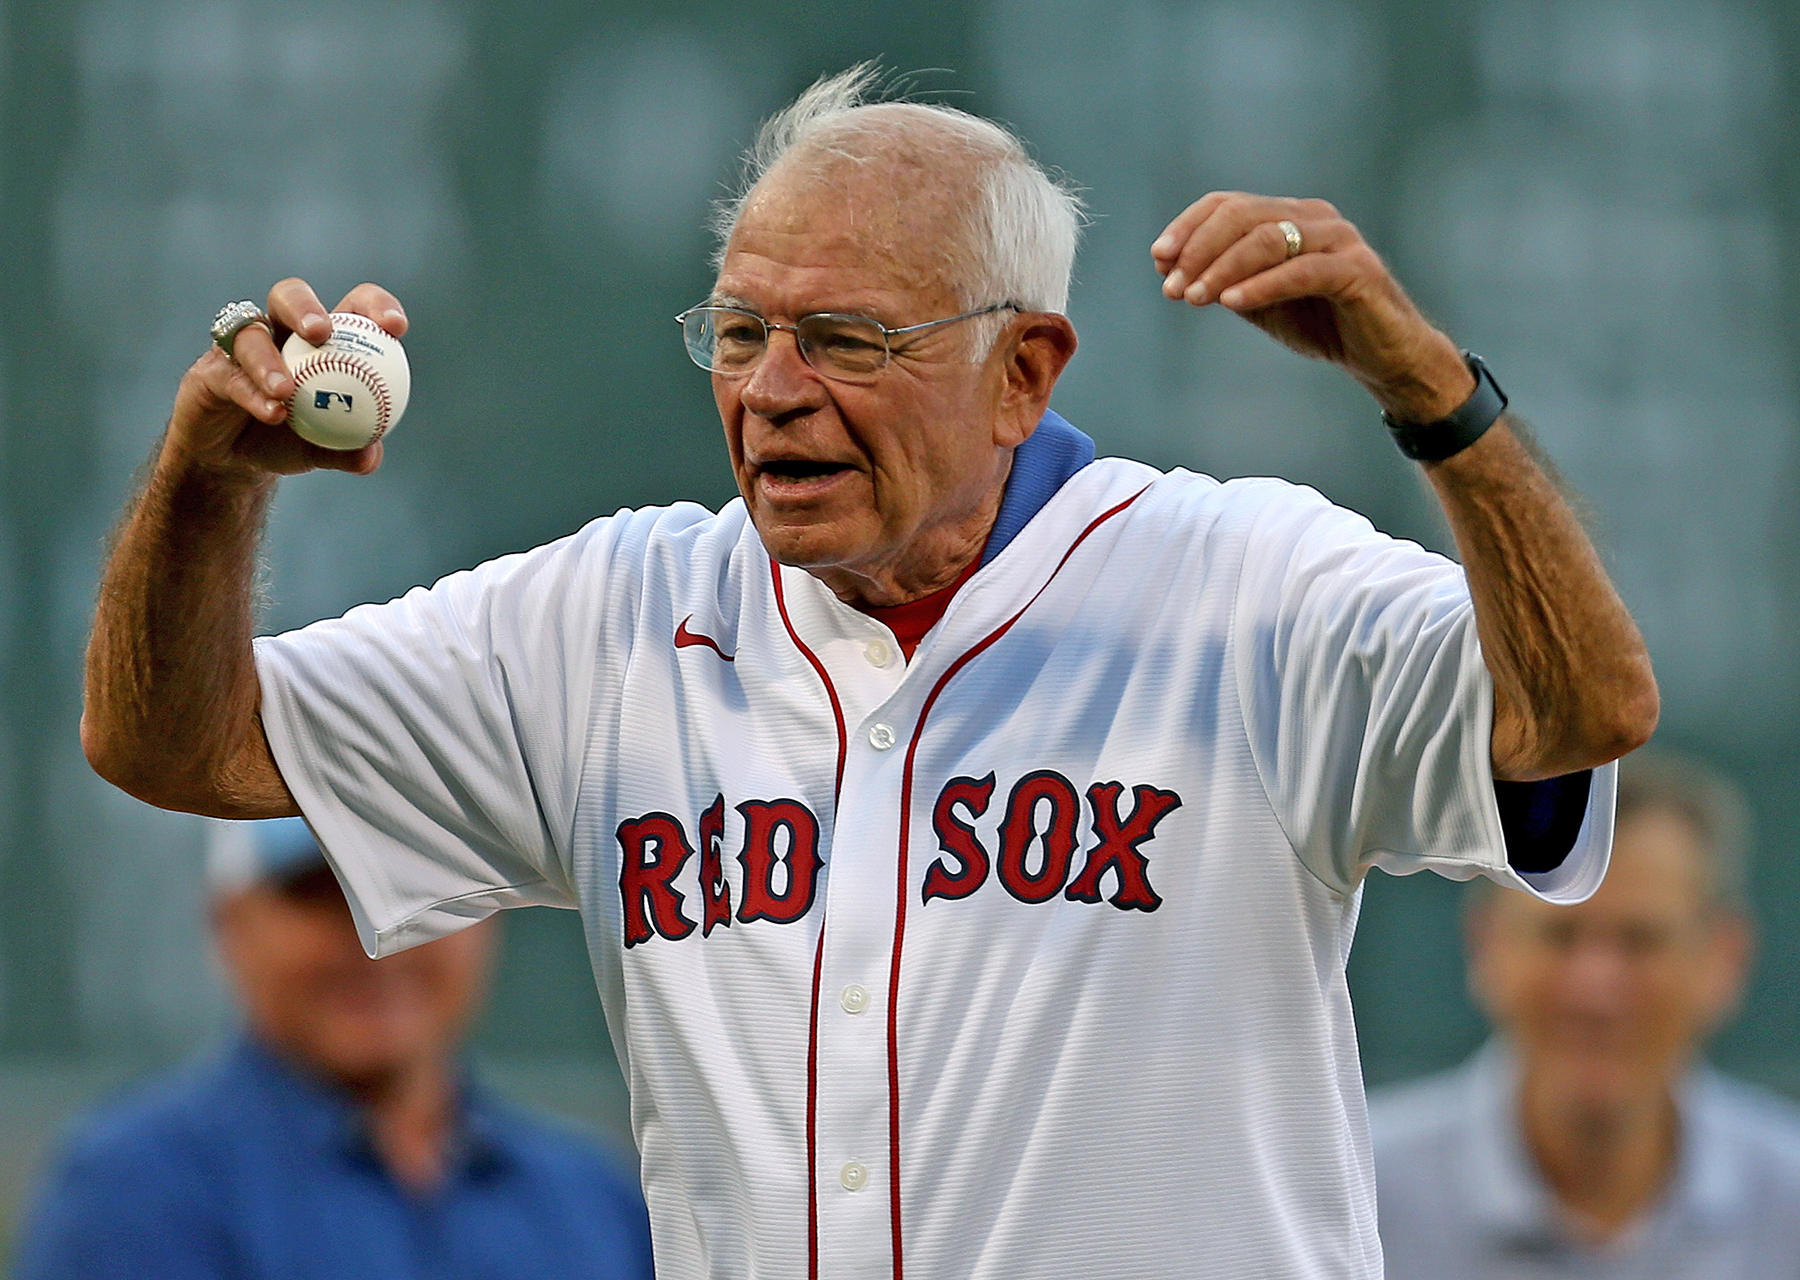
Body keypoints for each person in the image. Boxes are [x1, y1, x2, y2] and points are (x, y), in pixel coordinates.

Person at [80, 66, 1658, 1278]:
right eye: (741, 331)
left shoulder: (1245, 585)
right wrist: (212, 481)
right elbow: (178, 746)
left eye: (846, 340)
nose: (772, 390)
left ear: (1020, 373)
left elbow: (1584, 713)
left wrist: (1434, 394)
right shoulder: (614, 617)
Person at [10, 818, 654, 1280]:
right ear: (230, 925)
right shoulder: (135, 1193)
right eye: (323, 895)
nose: (377, 939)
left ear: (494, 919)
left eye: (422, 897)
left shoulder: (596, 1202)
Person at [1371, 753, 1800, 1277]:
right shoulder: (1357, 1196)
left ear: (1724, 958)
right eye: (1559, 936)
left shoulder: (1788, 1206)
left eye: (1641, 941)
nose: (1594, 989)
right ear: (1485, 944)